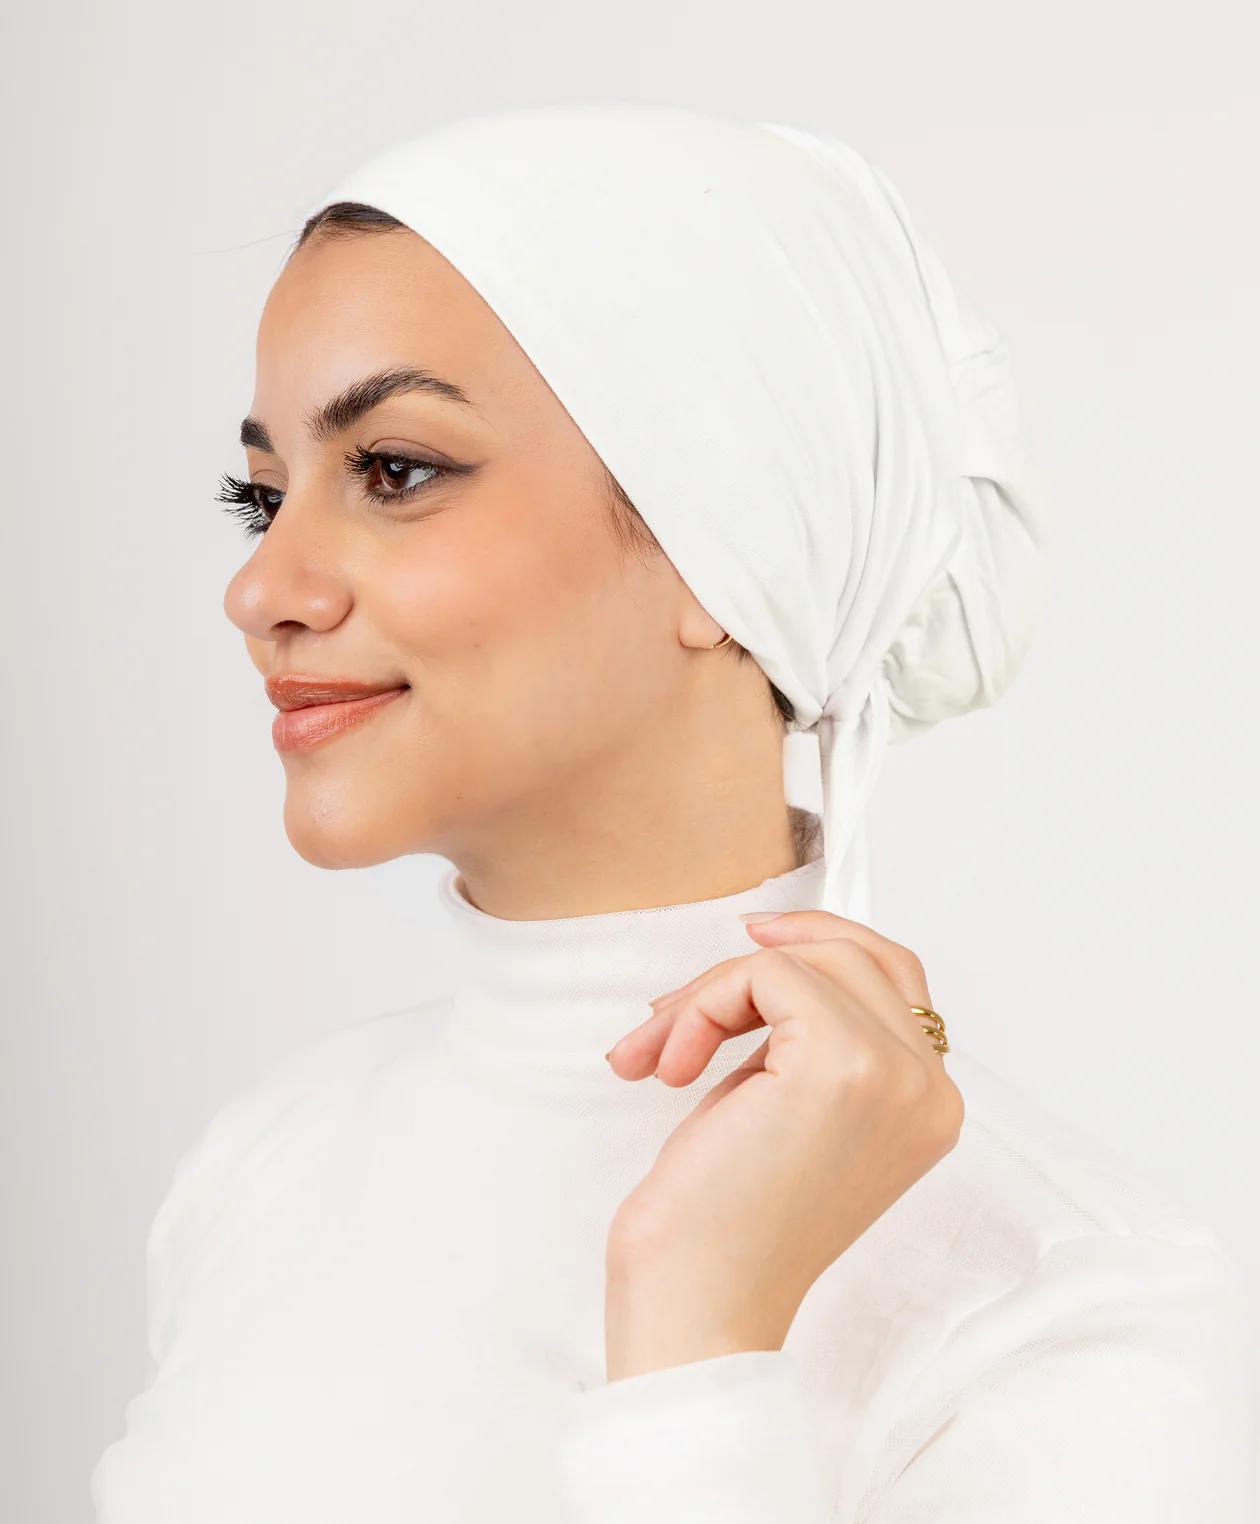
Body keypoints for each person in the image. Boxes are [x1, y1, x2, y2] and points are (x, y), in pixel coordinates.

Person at [90, 102, 1255, 1521]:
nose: (261, 587)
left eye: (395, 471)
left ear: (726, 542)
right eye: (260, 497)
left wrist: (700, 1341)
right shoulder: (262, 1164)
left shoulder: (1058, 1305)